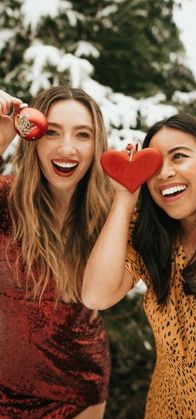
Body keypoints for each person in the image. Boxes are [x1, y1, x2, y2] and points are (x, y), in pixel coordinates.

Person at [82, 113, 196, 418]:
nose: (164, 173)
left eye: (179, 156)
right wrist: (125, 197)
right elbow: (95, 296)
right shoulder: (150, 239)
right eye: (153, 165)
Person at [0, 86, 113, 418]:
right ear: (32, 136)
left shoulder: (112, 212)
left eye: (82, 135)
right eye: (53, 132)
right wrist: (2, 140)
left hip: (78, 392)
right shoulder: (6, 197)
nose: (67, 148)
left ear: (97, 145)